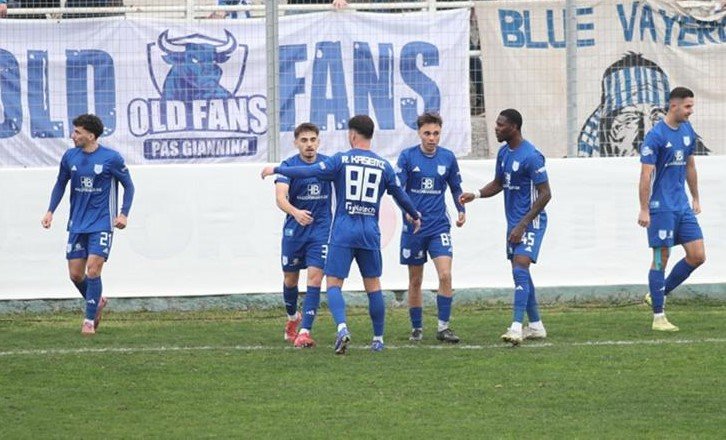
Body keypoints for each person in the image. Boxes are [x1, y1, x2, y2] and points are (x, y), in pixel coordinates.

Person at [262, 115, 421, 354]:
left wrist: (277, 169)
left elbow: (309, 171)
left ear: (352, 135)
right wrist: (414, 214)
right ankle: (378, 339)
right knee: (373, 285)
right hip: (369, 232)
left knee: (333, 284)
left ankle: (342, 327)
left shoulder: (341, 160)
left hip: (343, 231)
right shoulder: (383, 165)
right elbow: (400, 194)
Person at [459, 109, 551, 346]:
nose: (496, 128)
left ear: (514, 127)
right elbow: (499, 183)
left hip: (530, 222)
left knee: (520, 267)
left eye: (501, 125)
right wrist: (476, 194)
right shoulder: (503, 153)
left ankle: (516, 327)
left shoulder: (532, 156)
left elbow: (545, 194)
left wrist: (523, 224)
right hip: (514, 223)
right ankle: (536, 325)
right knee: (521, 272)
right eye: (497, 124)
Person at [41, 114, 135, 335]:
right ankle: (97, 301)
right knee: (76, 275)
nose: (73, 135)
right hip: (77, 223)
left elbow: (129, 186)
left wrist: (123, 214)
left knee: (93, 269)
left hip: (102, 222)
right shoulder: (69, 156)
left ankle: (89, 321)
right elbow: (60, 183)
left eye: (77, 132)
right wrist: (50, 211)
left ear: (91, 136)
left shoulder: (111, 158)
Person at [638, 87, 706, 332]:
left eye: (691, 106)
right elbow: (646, 175)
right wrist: (644, 209)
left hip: (682, 206)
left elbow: (690, 166)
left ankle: (658, 293)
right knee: (661, 259)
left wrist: (695, 197)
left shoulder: (687, 130)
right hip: (661, 208)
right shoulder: (655, 136)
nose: (691, 111)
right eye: (687, 106)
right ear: (674, 105)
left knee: (697, 255)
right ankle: (658, 317)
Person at [395, 112, 465, 343]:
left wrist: (461, 209)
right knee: (416, 280)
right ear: (419, 133)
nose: (432, 138)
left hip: (438, 227)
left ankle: (444, 327)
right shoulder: (407, 157)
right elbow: (398, 190)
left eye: (436, 133)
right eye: (427, 133)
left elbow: (456, 188)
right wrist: (407, 211)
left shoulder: (448, 157)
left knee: (445, 274)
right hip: (414, 229)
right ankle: (416, 328)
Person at [274, 123, 332, 348]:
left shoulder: (328, 164)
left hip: (321, 231)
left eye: (313, 140)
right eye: (304, 140)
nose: (309, 144)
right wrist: (295, 212)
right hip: (295, 232)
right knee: (290, 280)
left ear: (319, 141)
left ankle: (305, 331)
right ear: (296, 143)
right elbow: (280, 198)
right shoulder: (288, 166)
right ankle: (293, 318)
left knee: (315, 279)